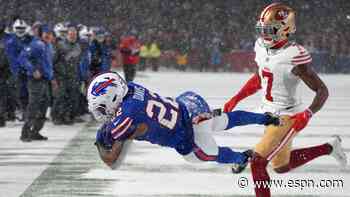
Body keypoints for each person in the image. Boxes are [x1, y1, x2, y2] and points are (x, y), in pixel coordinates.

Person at [223, 3, 347, 197]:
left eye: (270, 30)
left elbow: (322, 90)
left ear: (286, 29)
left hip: (288, 116)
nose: (265, 35)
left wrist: (307, 113)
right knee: (281, 166)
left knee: (258, 162)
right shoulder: (261, 47)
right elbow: (261, 77)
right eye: (262, 29)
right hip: (268, 112)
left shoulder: (294, 55)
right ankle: (329, 147)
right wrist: (237, 97)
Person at [87, 72, 280, 170]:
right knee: (223, 120)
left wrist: (100, 141)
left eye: (103, 107)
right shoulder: (130, 87)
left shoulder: (126, 117)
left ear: (113, 97)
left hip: (186, 134)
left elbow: (111, 160)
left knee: (202, 155)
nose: (103, 113)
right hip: (188, 104)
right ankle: (266, 118)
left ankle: (241, 158)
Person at [18, 24, 54, 142]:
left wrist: (51, 77)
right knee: (34, 106)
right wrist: (33, 70)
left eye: (50, 34)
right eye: (46, 33)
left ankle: (35, 131)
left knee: (44, 106)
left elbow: (48, 64)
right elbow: (22, 58)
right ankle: (25, 132)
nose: (48, 36)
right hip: (36, 81)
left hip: (45, 80)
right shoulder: (36, 44)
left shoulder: (48, 45)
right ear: (41, 34)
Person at [52, 24, 84, 125]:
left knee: (72, 97)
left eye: (74, 34)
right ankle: (56, 116)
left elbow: (78, 62)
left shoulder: (78, 46)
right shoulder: (60, 45)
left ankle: (68, 116)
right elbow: (54, 61)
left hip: (73, 76)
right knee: (60, 97)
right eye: (71, 34)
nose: (72, 36)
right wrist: (55, 74)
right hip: (61, 75)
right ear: (67, 35)